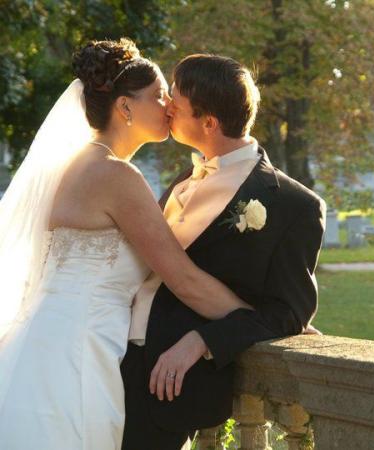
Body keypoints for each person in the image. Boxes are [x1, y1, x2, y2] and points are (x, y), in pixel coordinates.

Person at [0, 38, 250, 449]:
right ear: (125, 108)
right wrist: (262, 320)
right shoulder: (116, 177)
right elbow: (182, 280)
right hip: (76, 359)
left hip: (39, 348)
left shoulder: (76, 164)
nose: (169, 105)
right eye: (158, 95)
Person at [121, 53, 326, 450]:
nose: (166, 105)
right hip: (110, 356)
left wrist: (203, 339)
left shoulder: (294, 206)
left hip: (166, 380)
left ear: (209, 122)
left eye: (175, 102)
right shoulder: (185, 177)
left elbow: (288, 313)